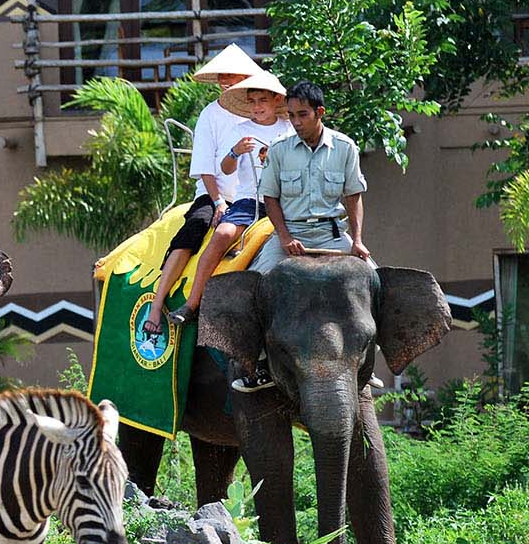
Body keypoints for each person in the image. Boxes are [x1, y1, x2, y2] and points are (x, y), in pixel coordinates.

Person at [234, 80, 370, 392]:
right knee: (253, 287)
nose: (295, 122)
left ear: (319, 112)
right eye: (292, 115)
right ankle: (257, 364)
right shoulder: (280, 150)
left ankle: (367, 362)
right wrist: (283, 238)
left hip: (332, 235)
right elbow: (270, 198)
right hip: (290, 235)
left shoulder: (345, 148)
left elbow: (354, 196)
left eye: (302, 115)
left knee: (375, 282)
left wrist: (358, 240)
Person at [141, 45, 263, 335]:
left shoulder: (265, 114)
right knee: (197, 225)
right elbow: (206, 166)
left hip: (259, 195)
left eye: (232, 76)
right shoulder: (211, 115)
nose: (226, 82)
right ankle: (157, 306)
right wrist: (219, 201)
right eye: (223, 76)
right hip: (218, 193)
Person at [164, 70, 292, 327]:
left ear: (276, 100)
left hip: (285, 201)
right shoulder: (240, 130)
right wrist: (234, 152)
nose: (257, 107)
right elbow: (225, 169)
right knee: (222, 234)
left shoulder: (289, 130)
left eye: (263, 101)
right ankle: (192, 303)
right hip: (249, 200)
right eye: (252, 101)